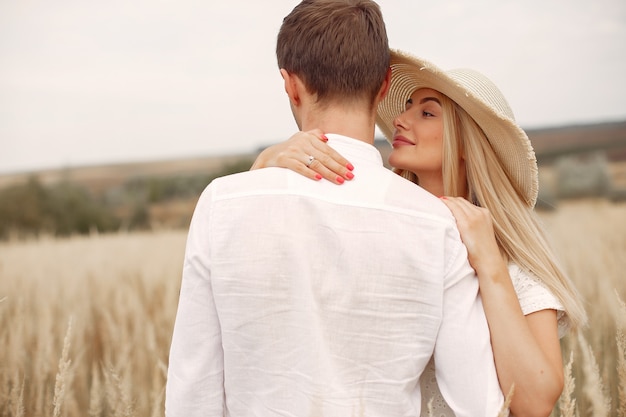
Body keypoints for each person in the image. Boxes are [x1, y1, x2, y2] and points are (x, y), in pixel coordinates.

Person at [166, 1, 504, 416]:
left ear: (291, 86)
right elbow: (479, 404)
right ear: (383, 86)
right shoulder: (438, 225)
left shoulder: (222, 204)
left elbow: (193, 390)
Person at [252, 49, 587, 416]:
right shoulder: (381, 222)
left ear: (465, 144)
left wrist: (489, 263)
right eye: (407, 106)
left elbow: (535, 402)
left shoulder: (514, 265)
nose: (400, 119)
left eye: (426, 113)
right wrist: (265, 165)